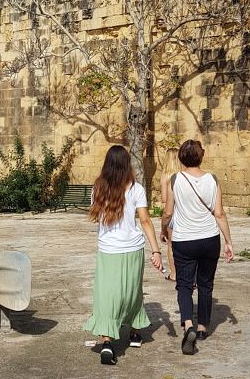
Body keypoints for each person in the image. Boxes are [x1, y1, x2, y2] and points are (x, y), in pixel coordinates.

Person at [84, 145, 163, 365]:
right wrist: (156, 250)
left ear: (107, 164)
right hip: (132, 248)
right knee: (133, 290)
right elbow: (145, 220)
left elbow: (98, 216)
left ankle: (107, 341)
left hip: (108, 249)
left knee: (107, 295)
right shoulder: (136, 189)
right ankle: (135, 333)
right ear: (127, 164)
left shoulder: (98, 187)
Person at [161, 139, 233, 355]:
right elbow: (219, 213)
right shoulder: (212, 179)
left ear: (181, 157)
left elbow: (168, 212)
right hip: (209, 238)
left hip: (184, 239)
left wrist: (163, 229)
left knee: (184, 285)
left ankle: (188, 324)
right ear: (202, 156)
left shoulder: (175, 179)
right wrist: (228, 241)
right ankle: (202, 327)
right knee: (205, 284)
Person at [160, 147, 181, 282]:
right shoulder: (183, 175)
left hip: (172, 213)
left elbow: (164, 198)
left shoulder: (165, 176)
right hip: (183, 212)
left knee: (171, 245)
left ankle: (174, 274)